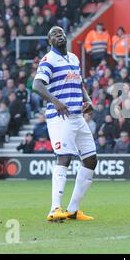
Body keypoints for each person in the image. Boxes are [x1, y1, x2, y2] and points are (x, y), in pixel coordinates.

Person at [33, 26, 97, 222]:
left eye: (61, 33)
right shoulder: (48, 60)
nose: (59, 35)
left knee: (91, 159)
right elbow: (37, 85)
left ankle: (73, 209)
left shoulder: (74, 58)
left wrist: (87, 99)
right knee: (65, 157)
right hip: (60, 117)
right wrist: (56, 102)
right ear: (49, 41)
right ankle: (54, 209)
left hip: (77, 115)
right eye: (54, 34)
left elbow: (79, 83)